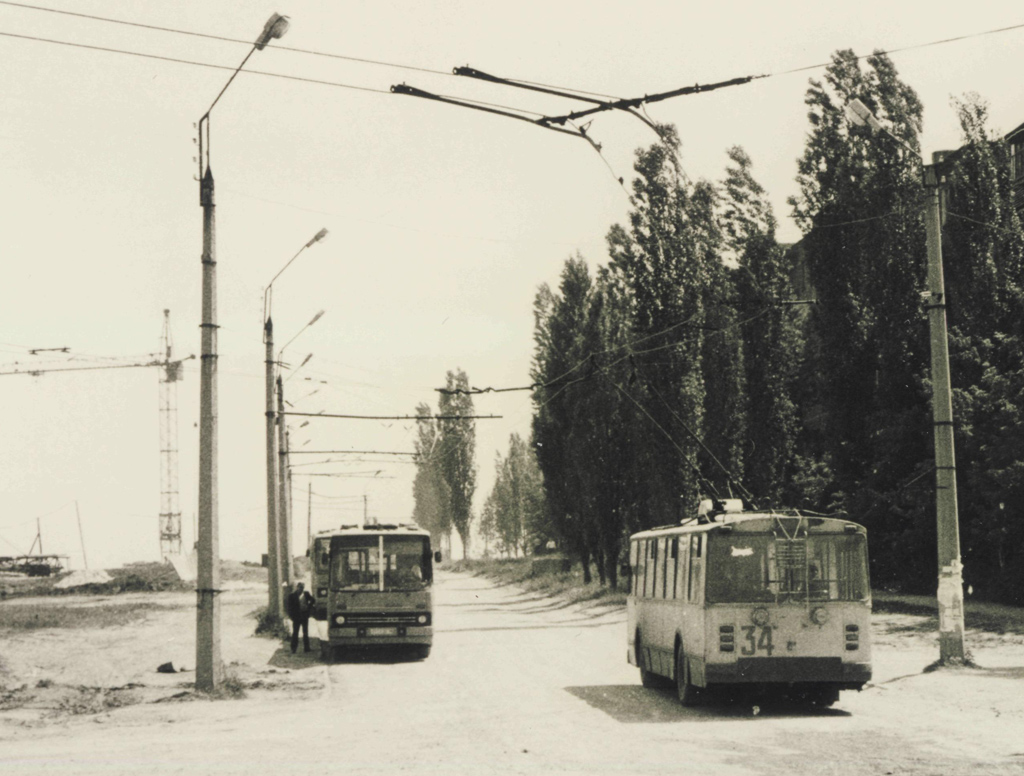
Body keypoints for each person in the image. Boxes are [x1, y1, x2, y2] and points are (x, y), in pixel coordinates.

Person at [286, 581, 315, 654]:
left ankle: (307, 648)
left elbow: (313, 600)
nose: (301, 589)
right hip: (296, 617)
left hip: (304, 616)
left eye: (302, 588)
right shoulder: (292, 596)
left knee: (305, 632)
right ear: (297, 587)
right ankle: (293, 648)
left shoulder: (306, 594)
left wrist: (308, 607)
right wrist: (291, 616)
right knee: (295, 633)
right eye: (300, 587)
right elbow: (289, 607)